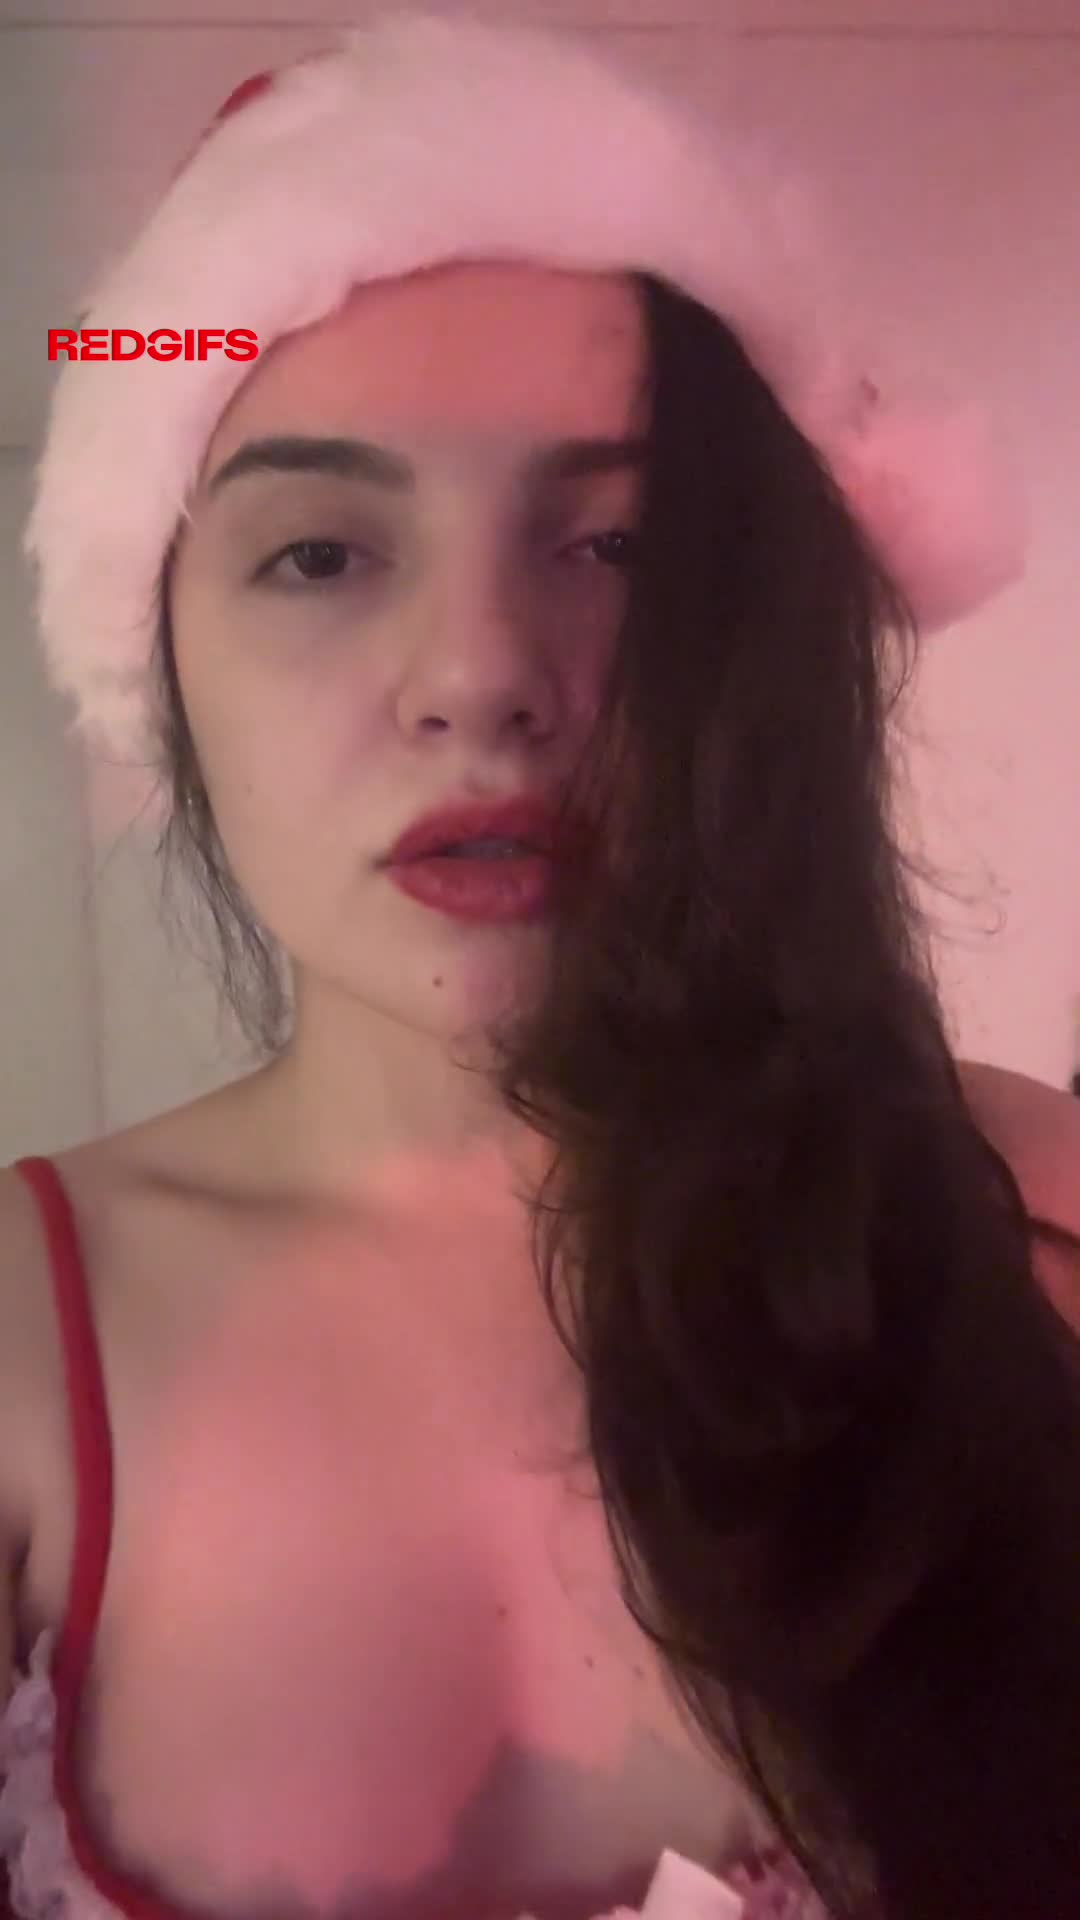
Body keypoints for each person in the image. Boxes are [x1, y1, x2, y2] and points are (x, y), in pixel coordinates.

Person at [2, 14, 1078, 1920]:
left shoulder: (1043, 1226)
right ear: (163, 673)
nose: (485, 676)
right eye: (320, 555)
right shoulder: (18, 1339)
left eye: (622, 545)